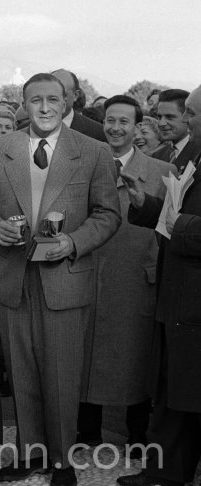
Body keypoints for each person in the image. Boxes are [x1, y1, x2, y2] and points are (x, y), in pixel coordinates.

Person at [0, 73, 121, 486]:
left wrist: (73, 241)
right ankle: (29, 452)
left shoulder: (92, 152)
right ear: (24, 104)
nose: (46, 108)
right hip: (14, 276)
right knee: (20, 370)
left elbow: (108, 214)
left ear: (68, 101)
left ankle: (62, 458)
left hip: (64, 277)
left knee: (62, 372)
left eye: (53, 99)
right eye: (36, 100)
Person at [116, 85, 201, 486]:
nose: (185, 119)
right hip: (178, 293)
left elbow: (182, 222)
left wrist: (178, 222)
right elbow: (171, 215)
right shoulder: (190, 156)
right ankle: (166, 470)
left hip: (195, 295)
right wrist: (145, 204)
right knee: (170, 384)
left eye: (191, 113)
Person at [79, 95, 177, 450]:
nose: (115, 128)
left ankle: (137, 436)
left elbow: (171, 230)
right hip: (90, 273)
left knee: (136, 357)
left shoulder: (162, 172)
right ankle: (86, 432)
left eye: (124, 122)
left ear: (138, 127)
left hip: (136, 279)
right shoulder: (85, 165)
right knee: (86, 353)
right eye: (110, 120)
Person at [51, 69, 106, 142]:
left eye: (62, 93)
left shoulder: (98, 133)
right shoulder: (32, 126)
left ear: (75, 95)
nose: (53, 98)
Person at [152, 89, 197, 174]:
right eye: (159, 117)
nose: (161, 123)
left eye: (169, 117)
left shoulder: (198, 152)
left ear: (187, 117)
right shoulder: (157, 155)